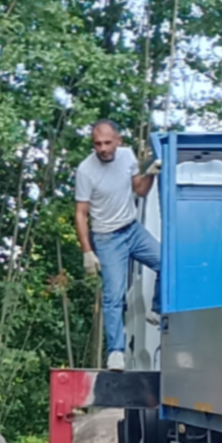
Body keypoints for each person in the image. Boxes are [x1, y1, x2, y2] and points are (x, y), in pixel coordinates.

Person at [73, 119, 160, 371]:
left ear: (118, 141)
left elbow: (140, 190)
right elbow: (80, 213)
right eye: (97, 144)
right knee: (113, 296)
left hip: (132, 229)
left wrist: (151, 174)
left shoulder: (126, 156)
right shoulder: (86, 170)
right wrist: (87, 251)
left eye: (107, 143)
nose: (102, 148)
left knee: (167, 262)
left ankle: (156, 309)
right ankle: (115, 352)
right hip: (107, 238)